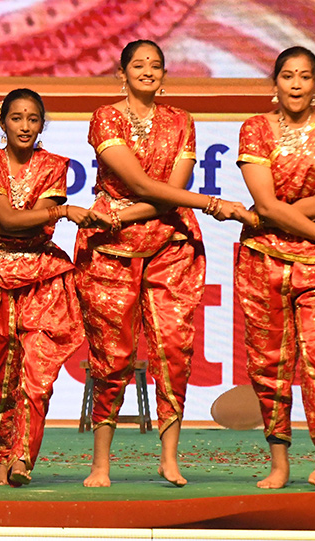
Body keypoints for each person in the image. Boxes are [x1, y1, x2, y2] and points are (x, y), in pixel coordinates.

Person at [77, 39, 245, 488]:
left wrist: (122, 212)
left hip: (171, 245)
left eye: (156, 65)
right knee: (111, 356)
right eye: (139, 64)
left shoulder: (182, 121)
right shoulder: (105, 117)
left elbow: (166, 191)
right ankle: (101, 464)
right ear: (123, 72)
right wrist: (210, 203)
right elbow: (135, 181)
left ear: (164, 74)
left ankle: (169, 458)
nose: (148, 71)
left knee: (174, 350)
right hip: (110, 251)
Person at [0, 89, 101, 486]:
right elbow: (9, 220)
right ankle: (0, 454)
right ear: (3, 122)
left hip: (44, 274)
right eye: (17, 118)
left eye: (33, 119)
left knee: (37, 374)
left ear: (42, 124)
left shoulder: (54, 165)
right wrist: (62, 212)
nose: (25, 126)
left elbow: (28, 225)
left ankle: (21, 459)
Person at [234, 46, 315, 490]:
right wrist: (281, 217)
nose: (296, 84)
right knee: (269, 362)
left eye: (305, 77)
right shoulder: (255, 129)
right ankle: (280, 462)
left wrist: (288, 221)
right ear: (275, 84)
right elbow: (264, 202)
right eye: (287, 76)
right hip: (264, 258)